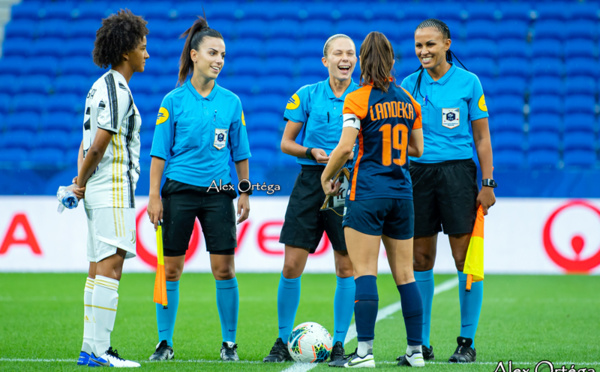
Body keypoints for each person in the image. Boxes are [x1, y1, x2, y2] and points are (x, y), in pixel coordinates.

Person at [146, 16, 251, 362]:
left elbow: (241, 152)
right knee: (171, 270)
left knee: (225, 269)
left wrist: (245, 192)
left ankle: (229, 344)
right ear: (194, 55)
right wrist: (154, 195)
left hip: (219, 193)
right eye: (212, 53)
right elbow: (160, 151)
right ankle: (164, 343)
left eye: (223, 54)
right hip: (178, 192)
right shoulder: (173, 101)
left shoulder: (232, 102)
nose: (219, 60)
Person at [322, 31, 425, 368]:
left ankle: (364, 351)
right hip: (402, 193)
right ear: (393, 61)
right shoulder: (410, 101)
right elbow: (417, 149)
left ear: (362, 62)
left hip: (367, 192)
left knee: (364, 271)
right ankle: (416, 351)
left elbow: (346, 147)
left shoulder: (357, 99)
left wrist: (327, 177)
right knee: (406, 275)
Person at [400, 18, 496, 363]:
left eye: (430, 44)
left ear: (447, 44)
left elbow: (482, 138)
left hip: (458, 174)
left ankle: (466, 342)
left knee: (463, 259)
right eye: (418, 45)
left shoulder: (469, 82)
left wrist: (487, 182)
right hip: (418, 175)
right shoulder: (408, 84)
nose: (423, 51)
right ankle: (420, 344)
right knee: (421, 260)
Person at [262, 34, 358, 364]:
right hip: (309, 182)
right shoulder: (306, 94)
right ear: (325, 60)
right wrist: (310, 151)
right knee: (291, 265)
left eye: (350, 54)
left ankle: (340, 344)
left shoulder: (363, 98)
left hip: (346, 185)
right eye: (338, 53)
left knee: (345, 266)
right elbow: (286, 142)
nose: (345, 58)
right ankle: (281, 338)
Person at [72, 9, 149, 368]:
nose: (146, 54)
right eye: (142, 47)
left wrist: (80, 181)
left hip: (99, 189)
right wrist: (82, 182)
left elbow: (84, 144)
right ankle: (99, 350)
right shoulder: (117, 88)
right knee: (111, 267)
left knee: (96, 268)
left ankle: (91, 349)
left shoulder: (97, 87)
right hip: (113, 188)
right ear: (125, 52)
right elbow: (100, 143)